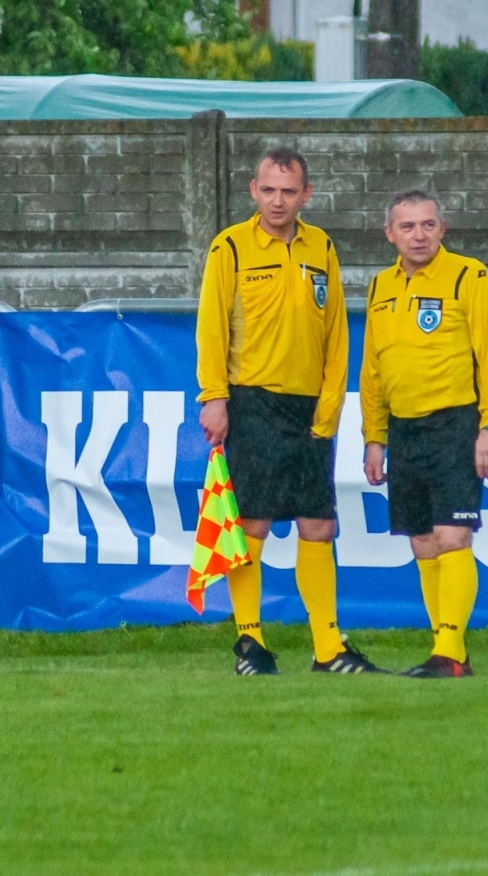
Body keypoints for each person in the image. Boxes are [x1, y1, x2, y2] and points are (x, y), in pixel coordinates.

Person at [196, 147, 385, 675]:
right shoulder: (229, 247)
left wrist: (331, 405)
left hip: (310, 408)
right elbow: (211, 327)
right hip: (252, 400)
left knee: (319, 524)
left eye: (288, 191)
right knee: (252, 523)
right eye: (268, 190)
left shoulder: (321, 246)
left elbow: (336, 333)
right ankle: (250, 642)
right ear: (253, 191)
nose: (277, 201)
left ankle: (328, 647)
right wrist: (214, 396)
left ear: (306, 194)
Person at [360, 190, 488, 678]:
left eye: (428, 225)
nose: (419, 235)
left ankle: (448, 652)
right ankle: (450, 654)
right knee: (423, 541)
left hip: (455, 423)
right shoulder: (380, 285)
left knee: (452, 535)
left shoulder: (469, 276)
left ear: (442, 229)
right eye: (407, 227)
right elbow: (372, 369)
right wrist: (374, 436)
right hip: (403, 429)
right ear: (390, 234)